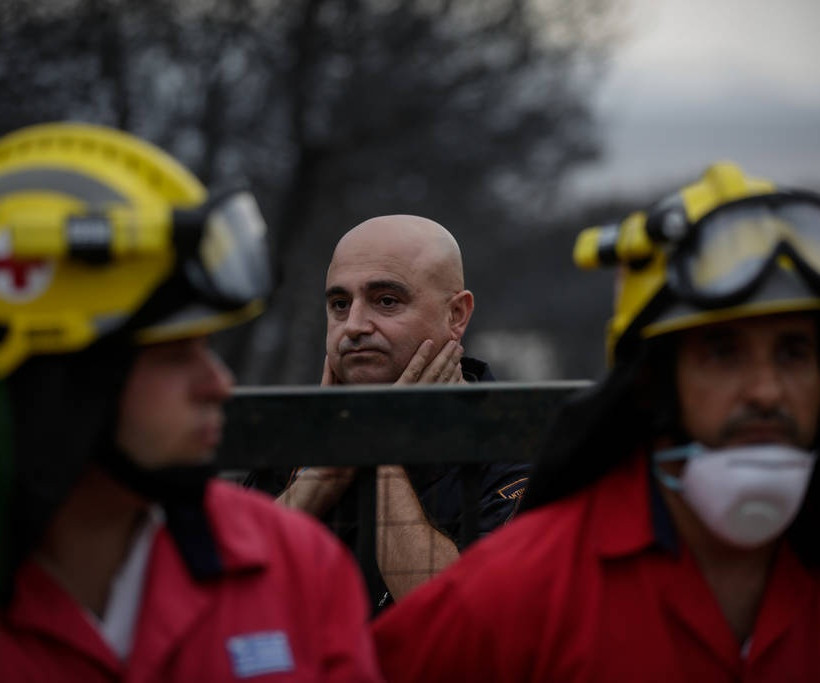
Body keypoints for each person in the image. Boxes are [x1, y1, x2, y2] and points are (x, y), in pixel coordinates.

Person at [372, 162, 820, 681]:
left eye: (794, 353)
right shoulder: (527, 585)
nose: (766, 391)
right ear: (651, 380)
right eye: (724, 354)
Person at [0, 122, 383, 682]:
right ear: (53, 382)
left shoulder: (293, 564)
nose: (218, 384)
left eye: (207, 348)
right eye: (173, 356)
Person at [277, 215, 529, 607]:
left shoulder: (523, 449)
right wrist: (329, 467)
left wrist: (379, 450)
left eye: (386, 301)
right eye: (340, 304)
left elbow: (460, 625)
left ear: (456, 315)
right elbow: (220, 589)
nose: (354, 326)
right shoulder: (289, 437)